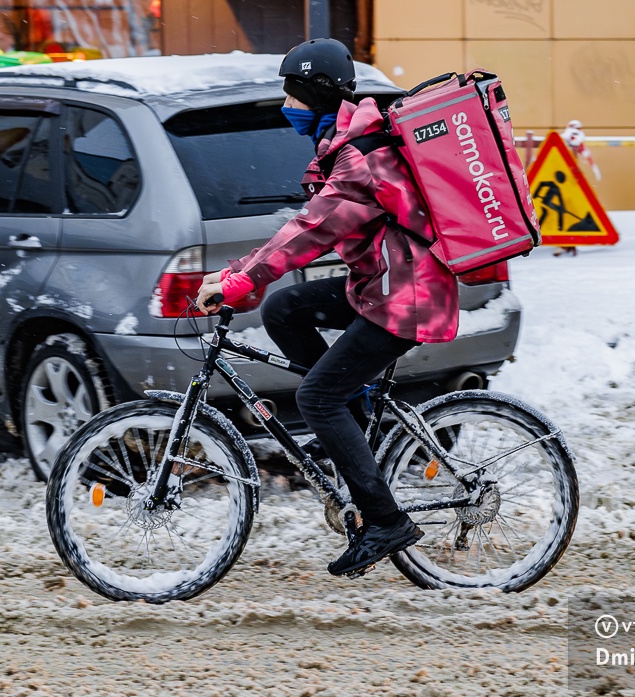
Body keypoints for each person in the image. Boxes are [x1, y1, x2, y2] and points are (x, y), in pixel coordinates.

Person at [195, 38, 460, 578]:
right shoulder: (346, 143)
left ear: (315, 94)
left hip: (407, 298)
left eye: (292, 93)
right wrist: (239, 275)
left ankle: (386, 522)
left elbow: (311, 231)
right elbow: (305, 227)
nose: (286, 104)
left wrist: (241, 278)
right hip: (383, 285)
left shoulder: (359, 156)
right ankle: (355, 425)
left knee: (317, 398)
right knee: (286, 309)